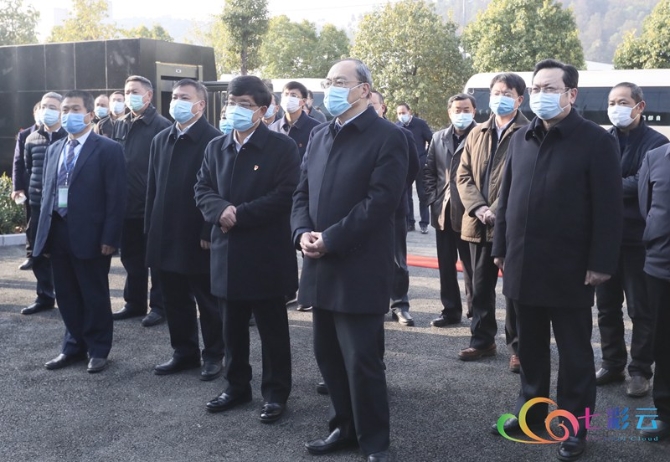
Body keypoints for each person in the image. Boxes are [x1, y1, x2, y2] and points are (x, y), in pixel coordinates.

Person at [491, 59, 622, 461]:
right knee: (529, 350)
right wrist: (500, 248)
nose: (540, 95)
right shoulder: (521, 138)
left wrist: (601, 262)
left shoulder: (596, 141)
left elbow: (609, 209)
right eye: (536, 89)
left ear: (571, 94)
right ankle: (530, 414)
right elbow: (506, 199)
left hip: (571, 268)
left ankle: (574, 427)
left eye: (550, 89)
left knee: (575, 354)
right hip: (523, 264)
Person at [293, 58, 408, 462]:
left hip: (360, 267)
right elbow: (301, 192)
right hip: (319, 263)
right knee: (327, 355)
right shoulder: (320, 134)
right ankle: (343, 427)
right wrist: (301, 232)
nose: (332, 89)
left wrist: (331, 238)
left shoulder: (388, 136)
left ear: (364, 89)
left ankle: (374, 442)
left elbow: (380, 202)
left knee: (362, 360)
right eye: (328, 82)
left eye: (340, 82)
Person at [195, 75, 299, 424]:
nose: (235, 109)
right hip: (226, 252)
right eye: (231, 102)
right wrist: (219, 210)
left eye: (244, 105)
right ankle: (236, 386)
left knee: (272, 329)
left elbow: (285, 194)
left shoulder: (282, 147)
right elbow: (202, 188)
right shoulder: (217, 146)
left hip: (265, 252)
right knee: (232, 327)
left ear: (263, 110)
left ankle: (275, 393)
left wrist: (238, 214)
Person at [33, 90, 126, 374]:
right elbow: (48, 195)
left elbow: (116, 197)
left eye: (75, 109)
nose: (68, 115)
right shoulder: (55, 149)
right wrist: (43, 237)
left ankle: (98, 349)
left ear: (89, 115)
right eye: (65, 110)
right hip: (58, 231)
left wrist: (110, 238)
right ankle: (73, 346)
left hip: (92, 235)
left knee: (93, 294)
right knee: (66, 294)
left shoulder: (108, 149)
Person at [146, 79, 225, 381]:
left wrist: (208, 229)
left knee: (207, 300)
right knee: (174, 298)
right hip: (165, 233)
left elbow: (219, 189)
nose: (176, 102)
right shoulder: (161, 139)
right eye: (175, 96)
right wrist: (150, 228)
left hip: (197, 235)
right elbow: (153, 189)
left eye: (184, 97)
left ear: (200, 105)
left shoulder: (214, 140)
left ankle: (215, 354)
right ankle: (184, 352)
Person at [594, 82, 668, 397]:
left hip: (638, 240)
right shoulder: (602, 139)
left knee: (641, 310)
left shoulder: (656, 142)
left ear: (640, 106)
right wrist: (616, 184)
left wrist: (606, 186)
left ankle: (640, 370)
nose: (616, 108)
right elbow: (590, 178)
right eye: (612, 102)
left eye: (623, 102)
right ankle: (612, 363)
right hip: (605, 238)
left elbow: (642, 184)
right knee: (606, 306)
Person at [456, 73, 530, 369]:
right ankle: (482, 340)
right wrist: (479, 208)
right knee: (479, 286)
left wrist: (496, 210)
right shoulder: (477, 132)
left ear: (519, 99)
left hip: (511, 224)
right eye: (496, 93)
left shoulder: (528, 132)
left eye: (507, 93)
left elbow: (524, 179)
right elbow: (463, 175)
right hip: (477, 223)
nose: (500, 98)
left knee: (515, 290)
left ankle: (519, 347)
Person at [111, 75, 171, 327]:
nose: (129, 97)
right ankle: (134, 303)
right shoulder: (120, 124)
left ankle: (159, 306)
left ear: (148, 95)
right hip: (127, 205)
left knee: (155, 260)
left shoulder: (162, 125)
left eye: (135, 92)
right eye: (127, 92)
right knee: (131, 259)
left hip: (151, 205)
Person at [424, 93, 478, 328]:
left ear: (474, 111)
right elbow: (429, 171)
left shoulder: (480, 135)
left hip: (470, 212)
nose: (461, 114)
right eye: (457, 110)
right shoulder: (438, 138)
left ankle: (476, 313)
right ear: (449, 112)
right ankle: (450, 311)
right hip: (443, 211)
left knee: (471, 267)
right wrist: (432, 198)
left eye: (466, 110)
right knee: (446, 266)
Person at [370, 89, 419, 326]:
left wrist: (391, 192)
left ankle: (399, 304)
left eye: (373, 105)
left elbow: (412, 169)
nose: (369, 108)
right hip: (360, 210)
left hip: (393, 208)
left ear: (383, 107)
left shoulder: (400, 134)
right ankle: (372, 303)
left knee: (397, 261)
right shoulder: (355, 135)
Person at [20, 92, 68, 315]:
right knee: (38, 252)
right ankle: (44, 296)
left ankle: (68, 297)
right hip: (38, 204)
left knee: (62, 253)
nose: (47, 111)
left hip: (62, 206)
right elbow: (29, 168)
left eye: (53, 107)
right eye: (44, 106)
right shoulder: (31, 139)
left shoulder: (68, 136)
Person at [638, 142, 670, 441]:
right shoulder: (656, 157)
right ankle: (665, 413)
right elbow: (646, 208)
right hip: (662, 266)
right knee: (664, 341)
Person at [11, 102, 41, 271]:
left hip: (52, 188)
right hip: (31, 188)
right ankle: (31, 256)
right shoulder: (25, 135)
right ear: (34, 113)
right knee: (31, 223)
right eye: (40, 110)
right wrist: (17, 187)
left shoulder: (60, 133)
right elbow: (18, 162)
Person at [396, 103, 431, 234]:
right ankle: (410, 222)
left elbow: (431, 140)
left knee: (422, 194)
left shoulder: (420, 124)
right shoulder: (397, 127)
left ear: (409, 112)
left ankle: (424, 223)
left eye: (403, 112)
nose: (401, 115)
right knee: (407, 195)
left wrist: (425, 157)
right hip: (405, 165)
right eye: (399, 113)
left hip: (420, 164)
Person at [269, 81, 321, 160]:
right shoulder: (273, 128)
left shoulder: (316, 128)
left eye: (293, 95)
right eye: (286, 94)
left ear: (303, 101)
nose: (288, 98)